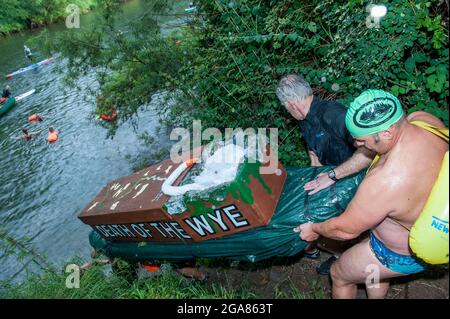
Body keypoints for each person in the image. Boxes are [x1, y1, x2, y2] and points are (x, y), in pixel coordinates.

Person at [295, 89, 448, 299]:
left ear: (386, 133)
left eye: (361, 140)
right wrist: (333, 174)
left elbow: (344, 230)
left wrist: (314, 229)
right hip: (413, 229)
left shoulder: (384, 182)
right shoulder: (424, 121)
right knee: (373, 274)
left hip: (395, 254)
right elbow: (374, 152)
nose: (356, 144)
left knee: (339, 273)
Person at [276, 74, 375, 271]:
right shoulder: (304, 120)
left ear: (291, 103)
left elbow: (369, 151)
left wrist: (332, 176)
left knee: (341, 226)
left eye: (285, 107)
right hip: (332, 178)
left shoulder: (333, 114)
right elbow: (313, 150)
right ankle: (337, 252)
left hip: (361, 178)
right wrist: (314, 177)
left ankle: (358, 261)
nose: (287, 111)